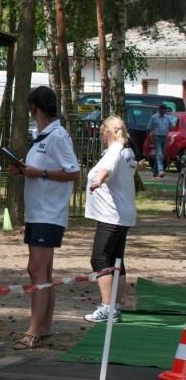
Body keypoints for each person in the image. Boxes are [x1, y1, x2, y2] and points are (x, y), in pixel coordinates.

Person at [11, 86, 80, 349]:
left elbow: (74, 172)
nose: (30, 113)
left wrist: (39, 173)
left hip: (49, 213)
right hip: (37, 212)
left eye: (31, 109)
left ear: (36, 108)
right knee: (44, 272)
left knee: (36, 270)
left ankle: (32, 331)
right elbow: (40, 167)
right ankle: (44, 327)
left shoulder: (57, 136)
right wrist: (23, 170)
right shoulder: (41, 136)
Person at [83, 116, 138, 323]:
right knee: (116, 260)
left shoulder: (115, 150)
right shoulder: (127, 151)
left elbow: (107, 168)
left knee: (99, 258)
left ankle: (107, 307)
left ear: (107, 132)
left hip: (112, 215)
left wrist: (98, 180)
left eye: (101, 133)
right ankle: (115, 307)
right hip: (122, 214)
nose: (100, 137)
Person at [146, 103, 175, 177]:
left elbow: (172, 124)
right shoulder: (154, 117)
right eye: (163, 110)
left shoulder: (167, 117)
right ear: (159, 110)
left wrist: (172, 125)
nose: (164, 111)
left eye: (165, 110)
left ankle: (155, 172)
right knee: (160, 154)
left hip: (165, 137)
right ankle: (161, 170)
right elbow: (149, 128)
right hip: (157, 137)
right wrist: (148, 137)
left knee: (161, 155)